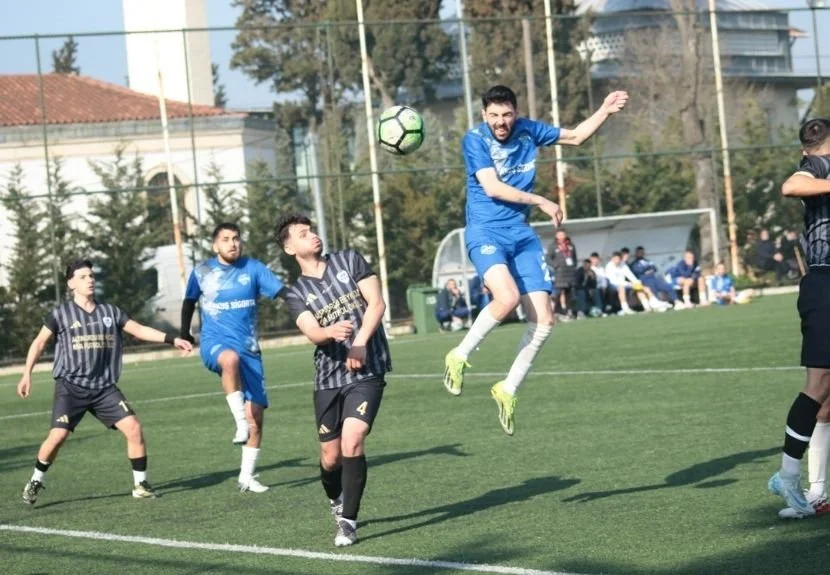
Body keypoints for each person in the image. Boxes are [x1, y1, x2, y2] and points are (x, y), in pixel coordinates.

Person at [442, 84, 628, 435]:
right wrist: (541, 200)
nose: (501, 122)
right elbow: (492, 187)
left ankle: (508, 388)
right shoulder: (475, 140)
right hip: (486, 233)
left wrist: (604, 110)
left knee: (545, 320)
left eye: (507, 114)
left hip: (521, 236)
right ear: (484, 115)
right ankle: (459, 355)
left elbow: (576, 137)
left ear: (516, 112)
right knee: (507, 298)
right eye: (494, 115)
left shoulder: (529, 130)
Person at [17, 259, 193, 505]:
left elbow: (139, 329)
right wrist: (27, 374)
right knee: (58, 436)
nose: (89, 280)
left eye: (91, 275)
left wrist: (172, 339)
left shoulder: (110, 312)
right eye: (82, 277)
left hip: (104, 389)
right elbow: (39, 343)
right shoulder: (60, 314)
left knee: (133, 428)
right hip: (71, 387)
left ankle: (140, 484)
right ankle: (36, 479)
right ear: (71, 284)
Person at [277, 214, 390, 547]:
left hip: (366, 370)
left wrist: (360, 342)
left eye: (311, 230)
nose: (312, 235)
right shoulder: (296, 293)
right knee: (330, 458)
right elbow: (312, 332)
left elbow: (377, 303)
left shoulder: (350, 260)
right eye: (302, 234)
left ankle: (348, 522)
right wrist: (328, 332)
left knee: (353, 439)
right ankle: (336, 500)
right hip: (328, 378)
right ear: (289, 248)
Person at [179, 222, 286, 494]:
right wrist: (185, 333)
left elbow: (283, 292)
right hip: (215, 343)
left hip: (250, 349)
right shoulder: (203, 271)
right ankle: (239, 423)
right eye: (226, 239)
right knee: (229, 360)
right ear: (215, 245)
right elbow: (189, 301)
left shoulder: (253, 268)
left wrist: (308, 307)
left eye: (236, 238)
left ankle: (246, 477)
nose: (232, 243)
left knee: (256, 416)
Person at [769, 118, 830, 518]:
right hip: (825, 283)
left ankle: (817, 492)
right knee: (819, 383)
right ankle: (788, 477)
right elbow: (791, 186)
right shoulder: (820, 164)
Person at [546, 229, 578, 319]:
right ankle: (556, 311)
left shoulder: (570, 244)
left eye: (563, 234)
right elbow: (548, 258)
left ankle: (569, 311)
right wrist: (555, 265)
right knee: (558, 293)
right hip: (560, 273)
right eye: (559, 234)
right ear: (556, 236)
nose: (562, 236)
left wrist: (574, 265)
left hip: (570, 272)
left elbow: (575, 257)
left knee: (570, 293)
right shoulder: (553, 246)